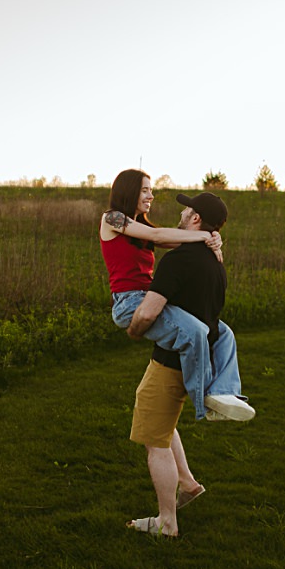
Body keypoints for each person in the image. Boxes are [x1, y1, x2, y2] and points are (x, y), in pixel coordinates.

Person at [124, 191, 253, 538]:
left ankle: (167, 522)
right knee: (163, 426)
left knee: (154, 441)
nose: (181, 213)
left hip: (170, 364)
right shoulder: (216, 265)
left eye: (186, 209)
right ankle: (189, 483)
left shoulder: (179, 261)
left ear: (195, 219)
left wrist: (134, 329)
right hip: (194, 359)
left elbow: (150, 310)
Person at [99, 169, 249, 421]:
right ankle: (204, 404)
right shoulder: (111, 219)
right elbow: (159, 236)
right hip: (130, 303)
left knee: (222, 332)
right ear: (129, 190)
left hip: (148, 296)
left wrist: (213, 238)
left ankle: (225, 393)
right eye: (145, 190)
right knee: (195, 332)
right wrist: (203, 234)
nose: (151, 196)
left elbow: (175, 240)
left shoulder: (140, 227)